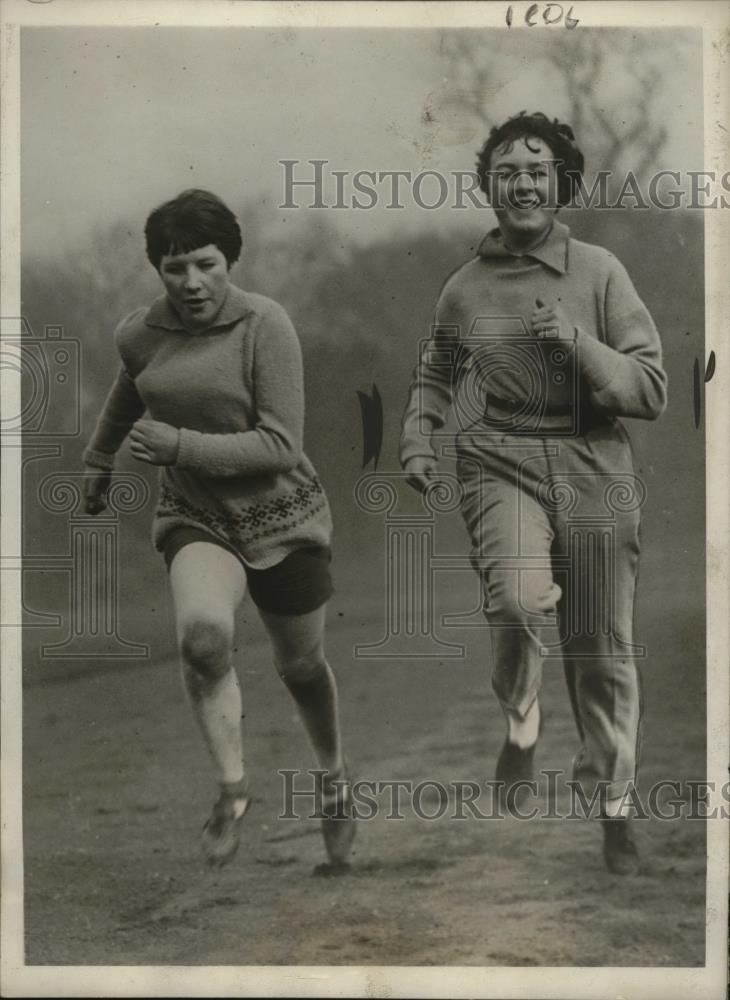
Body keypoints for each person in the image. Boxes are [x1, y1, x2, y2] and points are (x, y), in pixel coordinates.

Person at [399, 112, 667, 875]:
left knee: (601, 647)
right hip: (499, 458)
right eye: (507, 170)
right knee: (517, 603)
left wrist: (578, 345)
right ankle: (520, 723)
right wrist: (418, 438)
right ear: (489, 187)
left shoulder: (601, 272)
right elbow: (434, 376)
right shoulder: (463, 287)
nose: (522, 182)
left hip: (593, 461)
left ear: (561, 185)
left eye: (538, 170)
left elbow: (651, 387)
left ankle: (614, 810)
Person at [83, 188, 355, 870]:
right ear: (159, 270)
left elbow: (281, 445)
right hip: (196, 515)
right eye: (175, 268)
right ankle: (233, 792)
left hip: (282, 515)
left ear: (229, 259)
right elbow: (132, 384)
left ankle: (332, 779)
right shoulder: (139, 332)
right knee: (203, 642)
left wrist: (180, 447)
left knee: (301, 666)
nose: (192, 282)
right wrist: (98, 457)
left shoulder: (267, 325)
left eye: (205, 263)